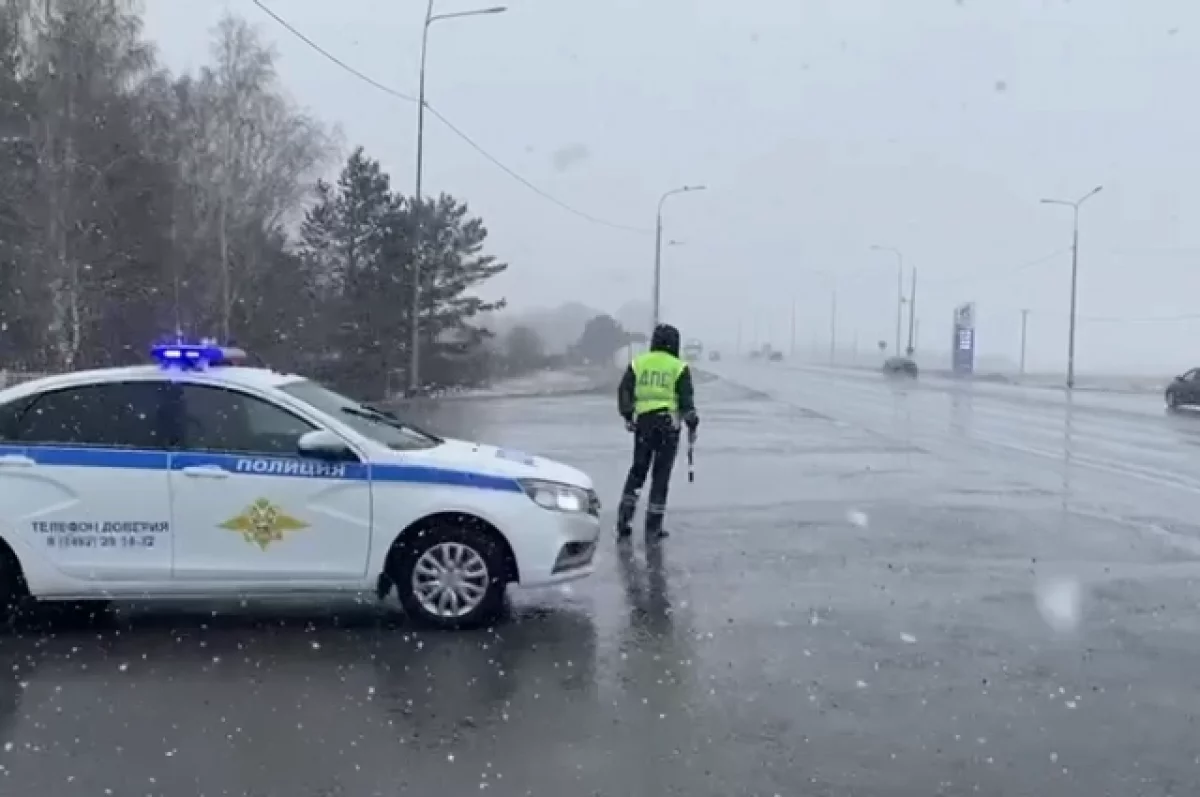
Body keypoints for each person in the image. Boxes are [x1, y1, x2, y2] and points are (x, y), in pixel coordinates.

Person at [615, 323, 699, 540]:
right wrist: (691, 419)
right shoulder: (678, 367)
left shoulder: (638, 363)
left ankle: (624, 520)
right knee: (660, 476)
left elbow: (624, 390)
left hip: (643, 423)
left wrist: (628, 414)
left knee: (637, 472)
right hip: (667, 426)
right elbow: (685, 400)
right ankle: (653, 526)